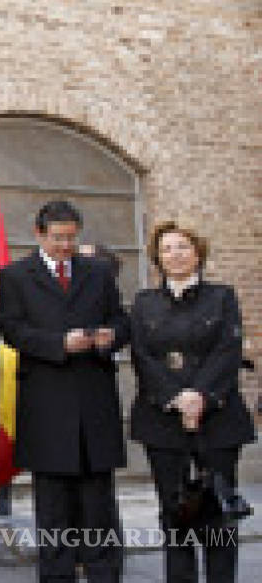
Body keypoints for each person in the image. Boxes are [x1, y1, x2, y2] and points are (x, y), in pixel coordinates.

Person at [0, 200, 129, 583]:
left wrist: (111, 337)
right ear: (39, 234)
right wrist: (59, 343)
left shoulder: (99, 273)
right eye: (58, 238)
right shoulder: (16, 276)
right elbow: (11, 329)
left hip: (94, 410)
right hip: (47, 412)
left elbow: (121, 319)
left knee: (99, 515)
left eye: (71, 238)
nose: (65, 246)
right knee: (53, 520)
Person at [130, 221, 255, 582]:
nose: (176, 254)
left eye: (183, 246)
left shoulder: (222, 297)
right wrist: (175, 398)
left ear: (198, 252)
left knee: (217, 514)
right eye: (167, 248)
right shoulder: (144, 303)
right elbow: (142, 356)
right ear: (158, 257)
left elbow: (227, 351)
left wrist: (200, 396)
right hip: (163, 422)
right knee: (175, 515)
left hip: (217, 420)